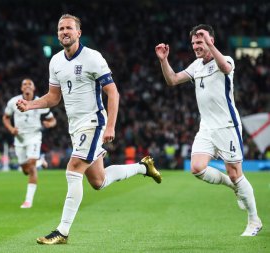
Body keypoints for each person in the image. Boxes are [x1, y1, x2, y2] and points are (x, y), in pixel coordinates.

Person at [17, 14, 162, 244]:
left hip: (94, 123)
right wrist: (30, 104)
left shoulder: (93, 58)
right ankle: (143, 167)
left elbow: (113, 92)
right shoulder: (55, 62)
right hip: (75, 127)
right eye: (61, 28)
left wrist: (110, 125)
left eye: (69, 28)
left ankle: (62, 232)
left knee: (73, 168)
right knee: (98, 181)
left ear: (78, 33)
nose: (64, 32)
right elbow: (54, 97)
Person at [155, 24, 262, 236]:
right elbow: (173, 80)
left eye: (200, 41)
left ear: (211, 41)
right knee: (197, 167)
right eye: (194, 42)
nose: (196, 46)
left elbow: (225, 68)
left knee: (235, 173)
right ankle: (234, 188)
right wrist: (163, 60)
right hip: (206, 128)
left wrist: (211, 45)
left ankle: (254, 220)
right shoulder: (196, 66)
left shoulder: (226, 59)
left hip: (227, 127)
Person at [3, 78, 57, 209]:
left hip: (34, 136)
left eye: (29, 84)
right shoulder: (13, 102)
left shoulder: (40, 102)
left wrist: (49, 124)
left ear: (34, 88)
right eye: (24, 84)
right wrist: (11, 129)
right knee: (25, 170)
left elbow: (53, 120)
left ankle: (28, 201)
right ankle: (41, 161)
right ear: (21, 88)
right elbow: (5, 117)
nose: (27, 86)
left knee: (31, 166)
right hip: (19, 139)